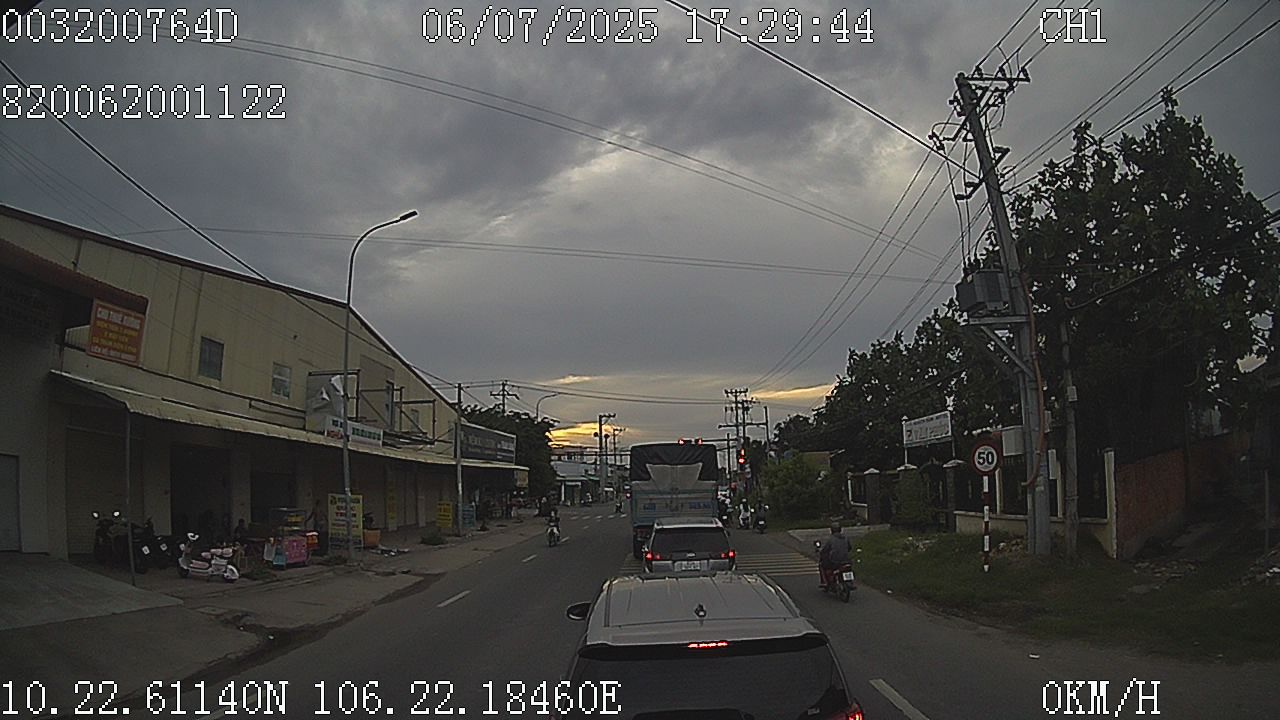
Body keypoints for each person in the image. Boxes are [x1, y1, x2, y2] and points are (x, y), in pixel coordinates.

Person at [819, 522, 853, 587]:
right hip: (846, 560)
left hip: (834, 561)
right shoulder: (846, 538)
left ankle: (825, 582)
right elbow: (849, 548)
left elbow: (825, 550)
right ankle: (849, 582)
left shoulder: (831, 539)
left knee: (822, 565)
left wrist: (821, 551)